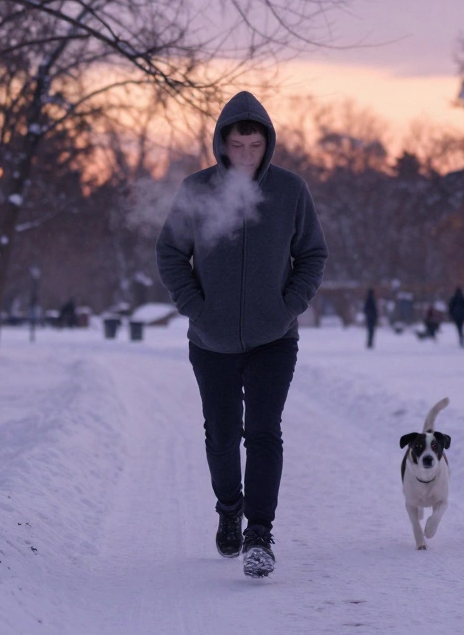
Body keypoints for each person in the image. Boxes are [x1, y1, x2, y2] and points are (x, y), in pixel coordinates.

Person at [156, 91, 327, 578]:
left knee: (264, 432)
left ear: (268, 144)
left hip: (275, 339)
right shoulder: (197, 189)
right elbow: (170, 253)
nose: (247, 155)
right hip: (210, 342)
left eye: (255, 145)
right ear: (222, 144)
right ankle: (229, 507)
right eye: (238, 145)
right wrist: (196, 308)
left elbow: (313, 255)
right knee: (223, 435)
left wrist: (287, 306)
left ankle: (259, 534)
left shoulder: (290, 191)